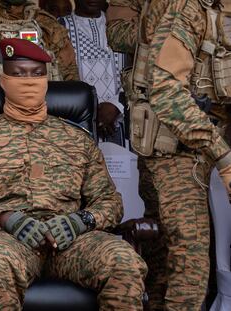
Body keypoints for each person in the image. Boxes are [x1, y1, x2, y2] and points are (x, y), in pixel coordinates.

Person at [0, 38, 147, 310]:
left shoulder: (76, 139)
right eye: (19, 73)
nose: (28, 81)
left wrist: (81, 220)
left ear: (47, 80)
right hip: (9, 241)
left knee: (123, 260)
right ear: (3, 80)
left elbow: (110, 202)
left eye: (36, 74)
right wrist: (3, 218)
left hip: (72, 243)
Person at [106, 0, 231, 309]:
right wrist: (223, 158)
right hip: (176, 145)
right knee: (188, 253)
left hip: (218, 138)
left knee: (168, 252)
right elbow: (166, 91)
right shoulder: (189, 9)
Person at [59, 0, 126, 146]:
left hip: (123, 123)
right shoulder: (60, 28)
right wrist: (91, 111)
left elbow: (137, 72)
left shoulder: (121, 27)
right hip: (78, 124)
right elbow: (58, 79)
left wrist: (116, 105)